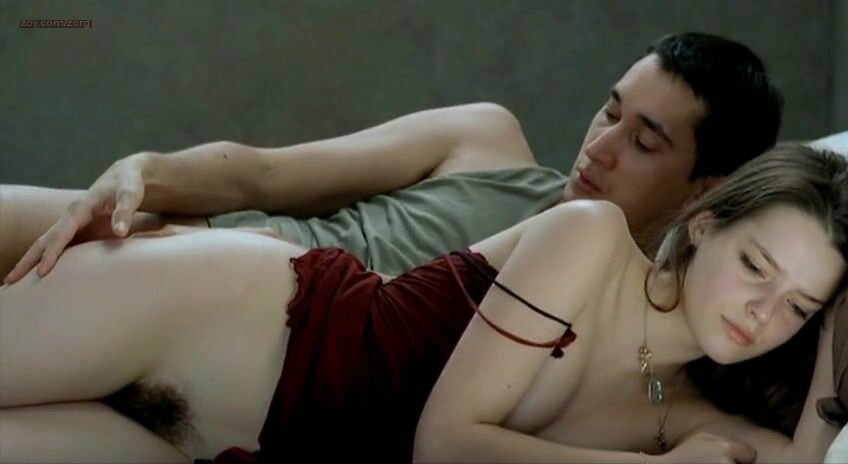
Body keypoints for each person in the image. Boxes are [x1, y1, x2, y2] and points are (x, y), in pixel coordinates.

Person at [0, 144, 845, 463]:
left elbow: (803, 458)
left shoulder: (691, 418)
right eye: (757, 266)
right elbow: (445, 443)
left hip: (220, 443)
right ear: (704, 224)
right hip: (215, 317)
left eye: (799, 306)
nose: (762, 312)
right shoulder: (589, 238)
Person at [1, 32, 783, 283]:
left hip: (248, 314)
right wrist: (141, 170)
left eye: (644, 142)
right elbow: (265, 173)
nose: (600, 147)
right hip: (196, 236)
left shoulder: (628, 314)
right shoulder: (486, 139)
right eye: (609, 111)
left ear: (703, 189)